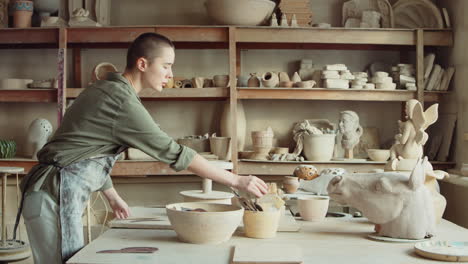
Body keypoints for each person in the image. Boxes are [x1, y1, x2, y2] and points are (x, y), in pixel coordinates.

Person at [18, 32, 268, 264]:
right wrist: (236, 180)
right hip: (53, 195)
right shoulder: (121, 101)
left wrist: (112, 195)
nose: (171, 74)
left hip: (50, 193)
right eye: (166, 65)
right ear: (142, 64)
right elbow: (175, 153)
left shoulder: (106, 89)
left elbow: (82, 148)